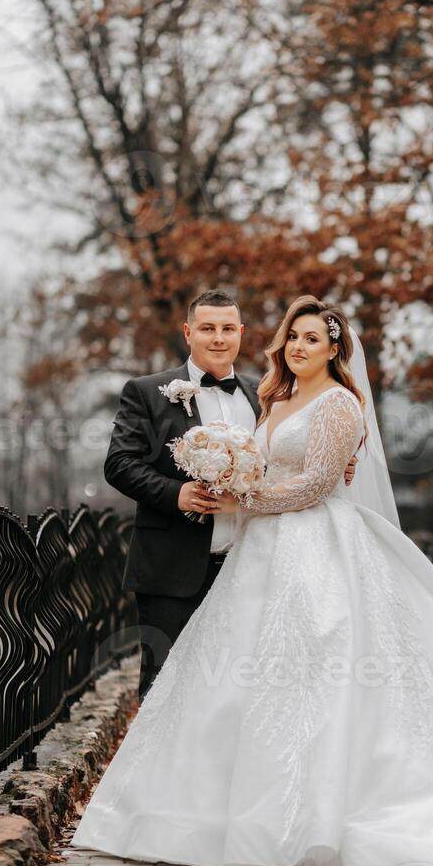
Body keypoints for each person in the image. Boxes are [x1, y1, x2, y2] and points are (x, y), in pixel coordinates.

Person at [72, 295, 433, 866]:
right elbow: (186, 464)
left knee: (325, 672)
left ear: (335, 349)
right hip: (254, 554)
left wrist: (244, 496)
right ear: (194, 332)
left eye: (311, 340)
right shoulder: (270, 395)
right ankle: (191, 809)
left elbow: (314, 487)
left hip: (317, 550)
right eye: (292, 337)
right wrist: (229, 485)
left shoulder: (337, 402)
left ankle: (322, 809)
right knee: (225, 683)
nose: (298, 347)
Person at [103, 289, 358, 703]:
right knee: (164, 691)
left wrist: (342, 463)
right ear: (189, 333)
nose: (218, 338)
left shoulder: (268, 394)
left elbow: (294, 452)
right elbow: (119, 464)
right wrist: (176, 493)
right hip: (173, 569)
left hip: (251, 565)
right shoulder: (148, 391)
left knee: (232, 696)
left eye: (227, 329)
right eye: (207, 329)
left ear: (240, 333)